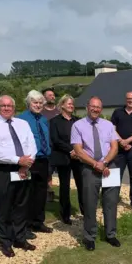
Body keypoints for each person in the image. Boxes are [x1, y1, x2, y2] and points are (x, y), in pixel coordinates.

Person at [0, 95, 38, 257]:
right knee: (5, 206)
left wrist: (26, 163)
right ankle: (5, 241)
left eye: (10, 106)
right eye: (3, 106)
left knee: (21, 205)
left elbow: (31, 144)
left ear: (14, 108)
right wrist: (18, 160)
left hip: (23, 168)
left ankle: (20, 238)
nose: (7, 108)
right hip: (4, 170)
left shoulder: (23, 124)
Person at [71, 96, 121, 251]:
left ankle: (111, 234)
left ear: (101, 108)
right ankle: (89, 237)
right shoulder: (77, 125)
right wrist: (95, 164)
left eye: (98, 107)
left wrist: (104, 162)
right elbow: (78, 150)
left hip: (109, 165)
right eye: (93, 106)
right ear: (87, 107)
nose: (95, 109)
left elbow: (114, 147)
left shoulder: (108, 125)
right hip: (89, 167)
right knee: (90, 203)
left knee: (111, 202)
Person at [18, 90, 53, 234]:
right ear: (28, 103)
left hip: (43, 159)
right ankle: (26, 225)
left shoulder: (44, 119)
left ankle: (38, 222)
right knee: (27, 194)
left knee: (41, 193)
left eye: (40, 103)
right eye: (35, 102)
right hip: (30, 161)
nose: (38, 105)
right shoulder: (21, 119)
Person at [50, 94, 85, 224]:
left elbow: (83, 137)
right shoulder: (54, 121)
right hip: (63, 157)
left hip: (78, 157)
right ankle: (65, 215)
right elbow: (55, 140)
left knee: (81, 185)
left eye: (72, 103)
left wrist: (78, 151)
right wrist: (70, 150)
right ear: (62, 105)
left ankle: (85, 211)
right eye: (69, 103)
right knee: (64, 187)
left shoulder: (78, 121)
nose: (71, 106)